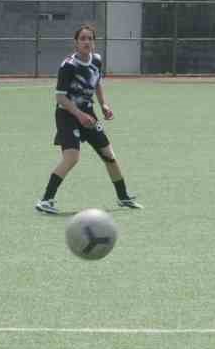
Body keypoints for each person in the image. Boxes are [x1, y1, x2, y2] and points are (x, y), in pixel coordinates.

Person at [36, 24, 141, 213]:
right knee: (72, 157)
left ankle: (123, 197)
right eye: (82, 38)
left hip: (88, 114)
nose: (86, 42)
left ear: (94, 42)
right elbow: (60, 97)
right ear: (75, 43)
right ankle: (45, 200)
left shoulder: (97, 61)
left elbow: (97, 82)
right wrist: (79, 115)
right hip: (67, 114)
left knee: (109, 155)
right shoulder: (68, 65)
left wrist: (104, 105)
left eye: (90, 38)